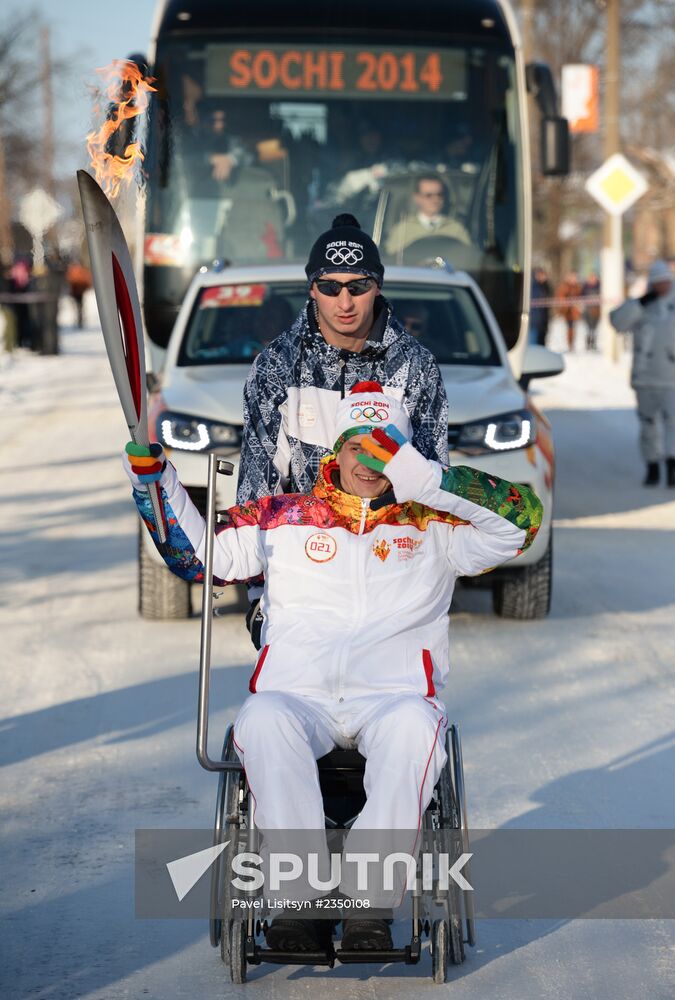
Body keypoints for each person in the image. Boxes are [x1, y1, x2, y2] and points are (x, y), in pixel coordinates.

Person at [123, 381, 543, 952]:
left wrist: (428, 481)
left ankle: (368, 902)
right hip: (299, 695)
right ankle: (301, 900)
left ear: (405, 452)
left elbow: (523, 520)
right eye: (358, 447)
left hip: (393, 697)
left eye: (386, 448)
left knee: (418, 731)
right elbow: (197, 559)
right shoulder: (280, 517)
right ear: (336, 451)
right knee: (263, 719)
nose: (370, 461)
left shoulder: (435, 525)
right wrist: (157, 483)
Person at [236, 213, 450, 644]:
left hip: (389, 579)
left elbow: (432, 484)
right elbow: (258, 486)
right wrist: (259, 594)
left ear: (379, 286)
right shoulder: (277, 365)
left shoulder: (415, 367)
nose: (344, 301)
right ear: (312, 288)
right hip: (303, 580)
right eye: (330, 287)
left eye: (358, 286)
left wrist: (424, 584)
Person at [610, 260, 675, 487]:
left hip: (671, 379)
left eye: (665, 282)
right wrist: (639, 303)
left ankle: (672, 467)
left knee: (673, 425)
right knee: (648, 425)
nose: (662, 287)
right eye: (657, 283)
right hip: (645, 379)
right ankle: (652, 467)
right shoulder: (642, 305)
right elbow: (617, 322)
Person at [385, 174, 471, 257]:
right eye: (429, 195)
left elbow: (467, 257)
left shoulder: (456, 229)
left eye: (439, 194)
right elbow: (392, 260)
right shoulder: (402, 230)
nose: (435, 199)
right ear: (417, 198)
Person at [555, 271, 583, 351]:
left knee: (572, 329)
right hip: (564, 312)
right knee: (561, 329)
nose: (574, 279)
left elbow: (580, 297)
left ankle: (570, 345)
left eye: (575, 277)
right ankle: (562, 346)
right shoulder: (563, 286)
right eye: (572, 277)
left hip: (574, 312)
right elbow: (559, 297)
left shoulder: (578, 287)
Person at [529, 266, 552, 346]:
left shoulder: (546, 286)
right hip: (535, 321)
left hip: (543, 320)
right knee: (534, 343)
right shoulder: (533, 286)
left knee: (542, 342)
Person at [66, 260, 92, 329]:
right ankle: (79, 318)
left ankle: (79, 319)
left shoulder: (72, 270)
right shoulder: (80, 270)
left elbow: (69, 280)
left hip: (76, 291)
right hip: (79, 291)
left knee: (78, 306)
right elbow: (86, 278)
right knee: (79, 306)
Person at [582, 272, 601, 351]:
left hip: (596, 311)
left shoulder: (599, 286)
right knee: (588, 329)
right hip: (587, 311)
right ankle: (588, 344)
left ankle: (594, 344)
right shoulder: (585, 287)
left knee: (594, 329)